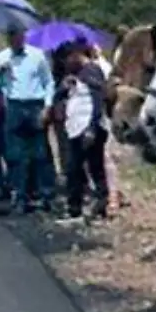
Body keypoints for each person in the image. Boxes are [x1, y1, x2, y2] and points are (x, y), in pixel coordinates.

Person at [0, 24, 56, 215]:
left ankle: (45, 195)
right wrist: (1, 73)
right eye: (11, 36)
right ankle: (19, 195)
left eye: (17, 36)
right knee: (15, 154)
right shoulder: (3, 57)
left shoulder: (37, 55)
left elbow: (48, 81)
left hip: (35, 103)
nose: (15, 40)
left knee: (40, 153)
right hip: (14, 105)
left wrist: (47, 106)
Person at [50, 41, 111, 221]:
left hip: (90, 127)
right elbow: (57, 96)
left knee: (90, 167)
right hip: (74, 127)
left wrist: (92, 128)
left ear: (76, 55)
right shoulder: (73, 76)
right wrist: (64, 87)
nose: (65, 64)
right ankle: (77, 206)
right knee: (74, 168)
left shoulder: (92, 71)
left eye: (67, 59)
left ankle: (95, 203)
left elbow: (98, 102)